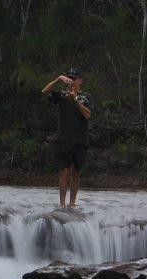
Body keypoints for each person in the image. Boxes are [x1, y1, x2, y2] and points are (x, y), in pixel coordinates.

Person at [41, 67, 93, 207]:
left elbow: (87, 114)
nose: (71, 80)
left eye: (74, 78)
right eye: (69, 78)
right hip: (64, 139)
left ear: (80, 81)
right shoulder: (62, 95)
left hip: (81, 140)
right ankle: (62, 204)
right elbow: (44, 92)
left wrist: (75, 99)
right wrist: (58, 79)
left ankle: (72, 203)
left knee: (76, 172)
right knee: (65, 171)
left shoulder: (86, 96)